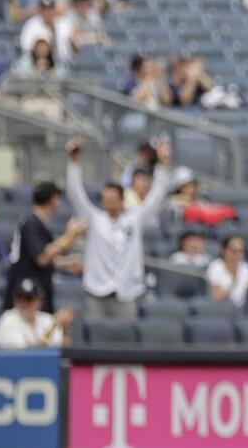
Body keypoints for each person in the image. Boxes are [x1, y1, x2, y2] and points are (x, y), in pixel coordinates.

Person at [66, 136, 172, 319]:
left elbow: (155, 198)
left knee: (125, 343)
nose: (109, 202)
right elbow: (76, 194)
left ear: (122, 200)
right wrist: (73, 162)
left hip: (127, 293)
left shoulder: (134, 218)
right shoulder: (94, 218)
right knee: (96, 339)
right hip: (96, 291)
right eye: (106, 199)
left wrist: (162, 165)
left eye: (113, 199)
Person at [3, 181, 84, 313]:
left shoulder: (38, 223)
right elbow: (41, 258)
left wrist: (65, 264)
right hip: (27, 294)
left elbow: (41, 256)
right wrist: (69, 236)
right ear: (52, 199)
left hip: (38, 289)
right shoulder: (31, 223)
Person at [0, 279, 74, 349]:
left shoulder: (46, 319)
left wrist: (64, 328)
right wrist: (52, 327)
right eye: (19, 297)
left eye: (29, 298)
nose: (23, 303)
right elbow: (29, 355)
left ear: (39, 302)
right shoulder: (8, 320)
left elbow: (64, 348)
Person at [208, 235, 248, 308]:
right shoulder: (215, 267)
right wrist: (234, 282)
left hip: (244, 309)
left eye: (240, 251)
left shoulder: (245, 267)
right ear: (223, 250)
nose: (237, 254)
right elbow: (217, 296)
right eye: (233, 251)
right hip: (223, 308)